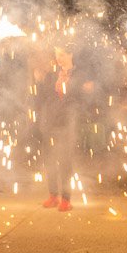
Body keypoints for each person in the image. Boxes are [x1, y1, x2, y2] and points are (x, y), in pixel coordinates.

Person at [34, 45, 79, 212]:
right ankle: (53, 195)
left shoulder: (78, 74)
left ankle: (66, 199)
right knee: (50, 159)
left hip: (68, 122)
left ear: (70, 54)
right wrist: (39, 80)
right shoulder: (53, 75)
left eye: (61, 54)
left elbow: (80, 98)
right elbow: (44, 97)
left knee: (65, 160)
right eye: (56, 55)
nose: (58, 58)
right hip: (51, 122)